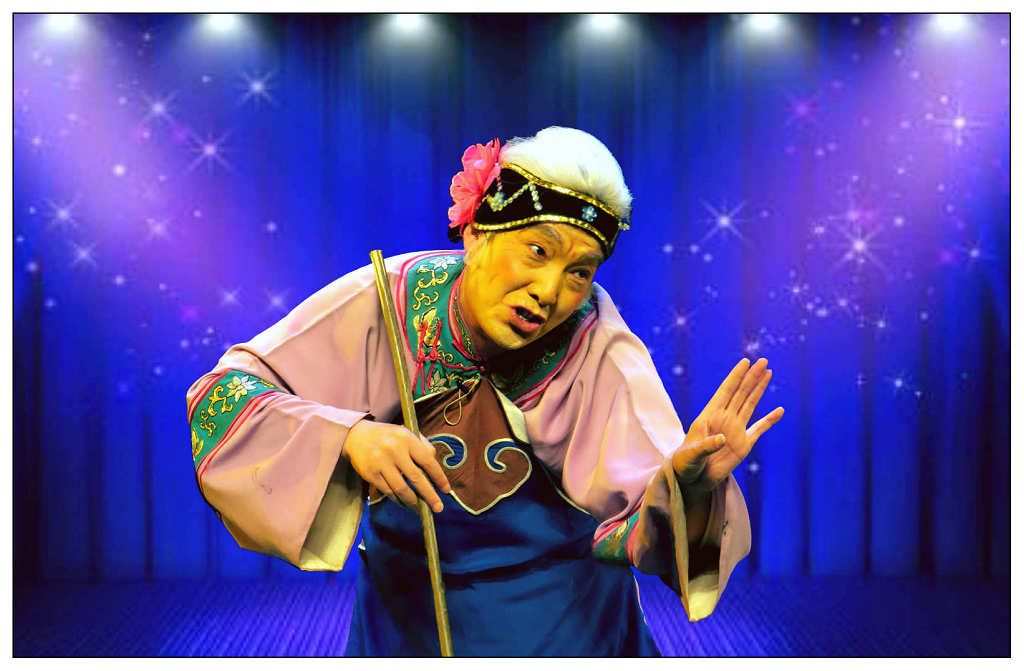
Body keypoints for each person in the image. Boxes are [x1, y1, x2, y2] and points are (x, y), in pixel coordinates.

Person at [186, 127, 784, 656]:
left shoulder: (597, 342)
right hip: (406, 619)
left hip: (564, 628)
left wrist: (689, 484)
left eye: (579, 271)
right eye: (537, 251)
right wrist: (350, 438)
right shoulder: (391, 298)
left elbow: (649, 492)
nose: (549, 290)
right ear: (475, 232)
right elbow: (225, 395)